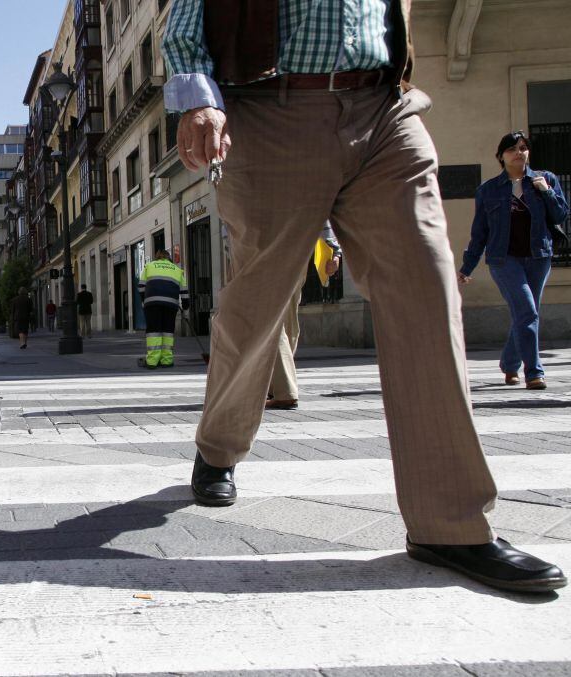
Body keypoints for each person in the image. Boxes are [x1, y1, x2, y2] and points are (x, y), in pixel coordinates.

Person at [164, 0, 564, 592]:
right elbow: (185, 16)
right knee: (257, 307)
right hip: (273, 111)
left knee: (428, 292)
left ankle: (448, 523)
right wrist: (199, 98)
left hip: (386, 110)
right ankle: (218, 448)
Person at [459, 132, 567, 391]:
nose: (519, 152)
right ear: (501, 156)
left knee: (526, 313)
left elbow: (561, 213)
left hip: (538, 257)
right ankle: (534, 372)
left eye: (523, 148)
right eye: (512, 149)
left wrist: (547, 192)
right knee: (527, 311)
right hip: (504, 260)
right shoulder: (488, 190)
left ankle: (509, 363)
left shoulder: (546, 179)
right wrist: (467, 267)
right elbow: (480, 233)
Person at [267, 223, 341, 410]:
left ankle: (284, 390)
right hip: (297, 251)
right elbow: (322, 208)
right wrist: (335, 251)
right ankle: (276, 384)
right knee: (287, 319)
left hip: (266, 249)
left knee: (269, 321)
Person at [137, 251, 189, 368]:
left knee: (154, 332)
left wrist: (144, 299)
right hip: (171, 304)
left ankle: (152, 361)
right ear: (168, 258)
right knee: (168, 332)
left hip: (152, 303)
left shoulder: (149, 266)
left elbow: (141, 286)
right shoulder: (177, 269)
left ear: (157, 257)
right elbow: (184, 291)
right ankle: (166, 360)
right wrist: (185, 306)